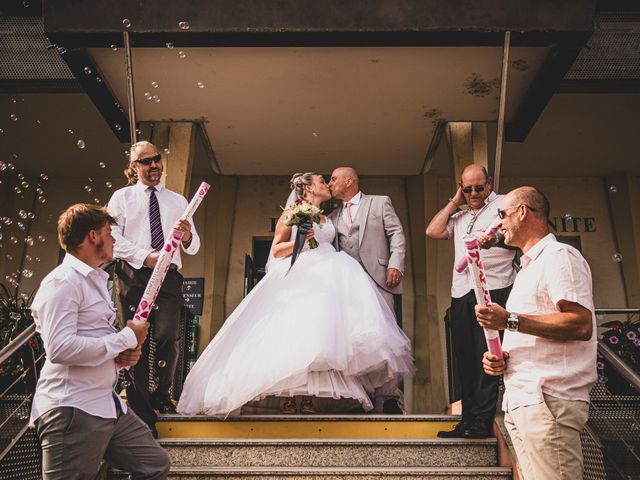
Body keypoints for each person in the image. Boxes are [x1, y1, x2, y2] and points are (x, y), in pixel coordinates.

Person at [177, 172, 414, 416]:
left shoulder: (329, 216)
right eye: (323, 182)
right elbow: (277, 250)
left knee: (323, 337)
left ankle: (314, 396)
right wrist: (300, 241)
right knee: (295, 334)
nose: (327, 185)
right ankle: (289, 396)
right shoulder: (292, 213)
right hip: (302, 275)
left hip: (329, 277)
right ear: (309, 189)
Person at [29, 204, 170, 480]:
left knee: (154, 464)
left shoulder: (94, 281)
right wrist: (127, 337)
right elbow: (60, 348)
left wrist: (119, 359)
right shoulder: (62, 283)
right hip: (71, 408)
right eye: (110, 232)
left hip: (105, 404)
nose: (114, 239)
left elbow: (90, 339)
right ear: (93, 236)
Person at [477, 186, 596, 480]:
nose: (499, 223)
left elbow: (580, 324)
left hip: (548, 399)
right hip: (524, 400)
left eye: (502, 214)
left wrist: (510, 321)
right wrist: (502, 359)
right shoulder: (528, 268)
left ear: (523, 212)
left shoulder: (559, 256)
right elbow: (534, 330)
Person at [107, 141, 200, 436]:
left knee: (168, 335)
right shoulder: (121, 197)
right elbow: (112, 238)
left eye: (157, 159)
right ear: (134, 167)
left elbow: (195, 245)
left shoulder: (178, 199)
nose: (154, 165)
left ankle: (162, 392)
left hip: (169, 275)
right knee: (134, 338)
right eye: (146, 161)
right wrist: (143, 256)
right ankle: (140, 406)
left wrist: (186, 237)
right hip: (132, 273)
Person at [426, 164, 516, 438]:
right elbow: (433, 231)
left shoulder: (503, 204)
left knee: (487, 356)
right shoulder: (462, 216)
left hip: (494, 288)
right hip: (462, 292)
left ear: (489, 183)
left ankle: (482, 422)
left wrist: (495, 240)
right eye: (468, 189)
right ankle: (467, 420)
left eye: (478, 187)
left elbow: (514, 237)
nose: (474, 193)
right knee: (464, 358)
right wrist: (455, 201)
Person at [327, 166, 407, 414]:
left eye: (333, 179)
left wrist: (396, 265)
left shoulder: (380, 203)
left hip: (380, 279)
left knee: (385, 338)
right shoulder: (332, 217)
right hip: (349, 287)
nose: (330, 184)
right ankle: (362, 397)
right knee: (356, 341)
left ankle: (390, 396)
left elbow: (396, 234)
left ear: (348, 181)